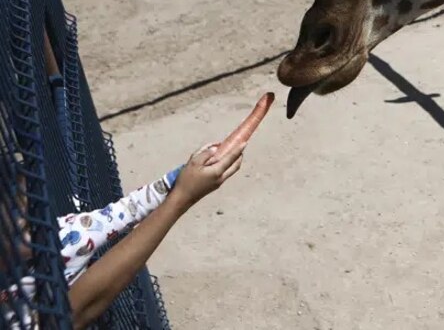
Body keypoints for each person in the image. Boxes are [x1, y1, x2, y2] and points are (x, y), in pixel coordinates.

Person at [2, 92, 273, 330]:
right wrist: (181, 198)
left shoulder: (65, 236)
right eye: (26, 228)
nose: (44, 225)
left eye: (41, 211)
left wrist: (183, 176)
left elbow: (128, 209)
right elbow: (65, 319)